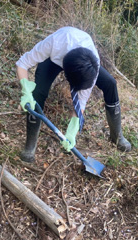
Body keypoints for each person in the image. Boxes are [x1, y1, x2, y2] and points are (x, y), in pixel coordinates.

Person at [16, 26, 131, 163]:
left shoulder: (92, 64)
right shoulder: (54, 43)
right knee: (39, 92)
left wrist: (72, 131)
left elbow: (80, 103)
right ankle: (30, 146)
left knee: (110, 83)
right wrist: (25, 89)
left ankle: (117, 136)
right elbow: (23, 63)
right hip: (54, 58)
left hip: (81, 59)